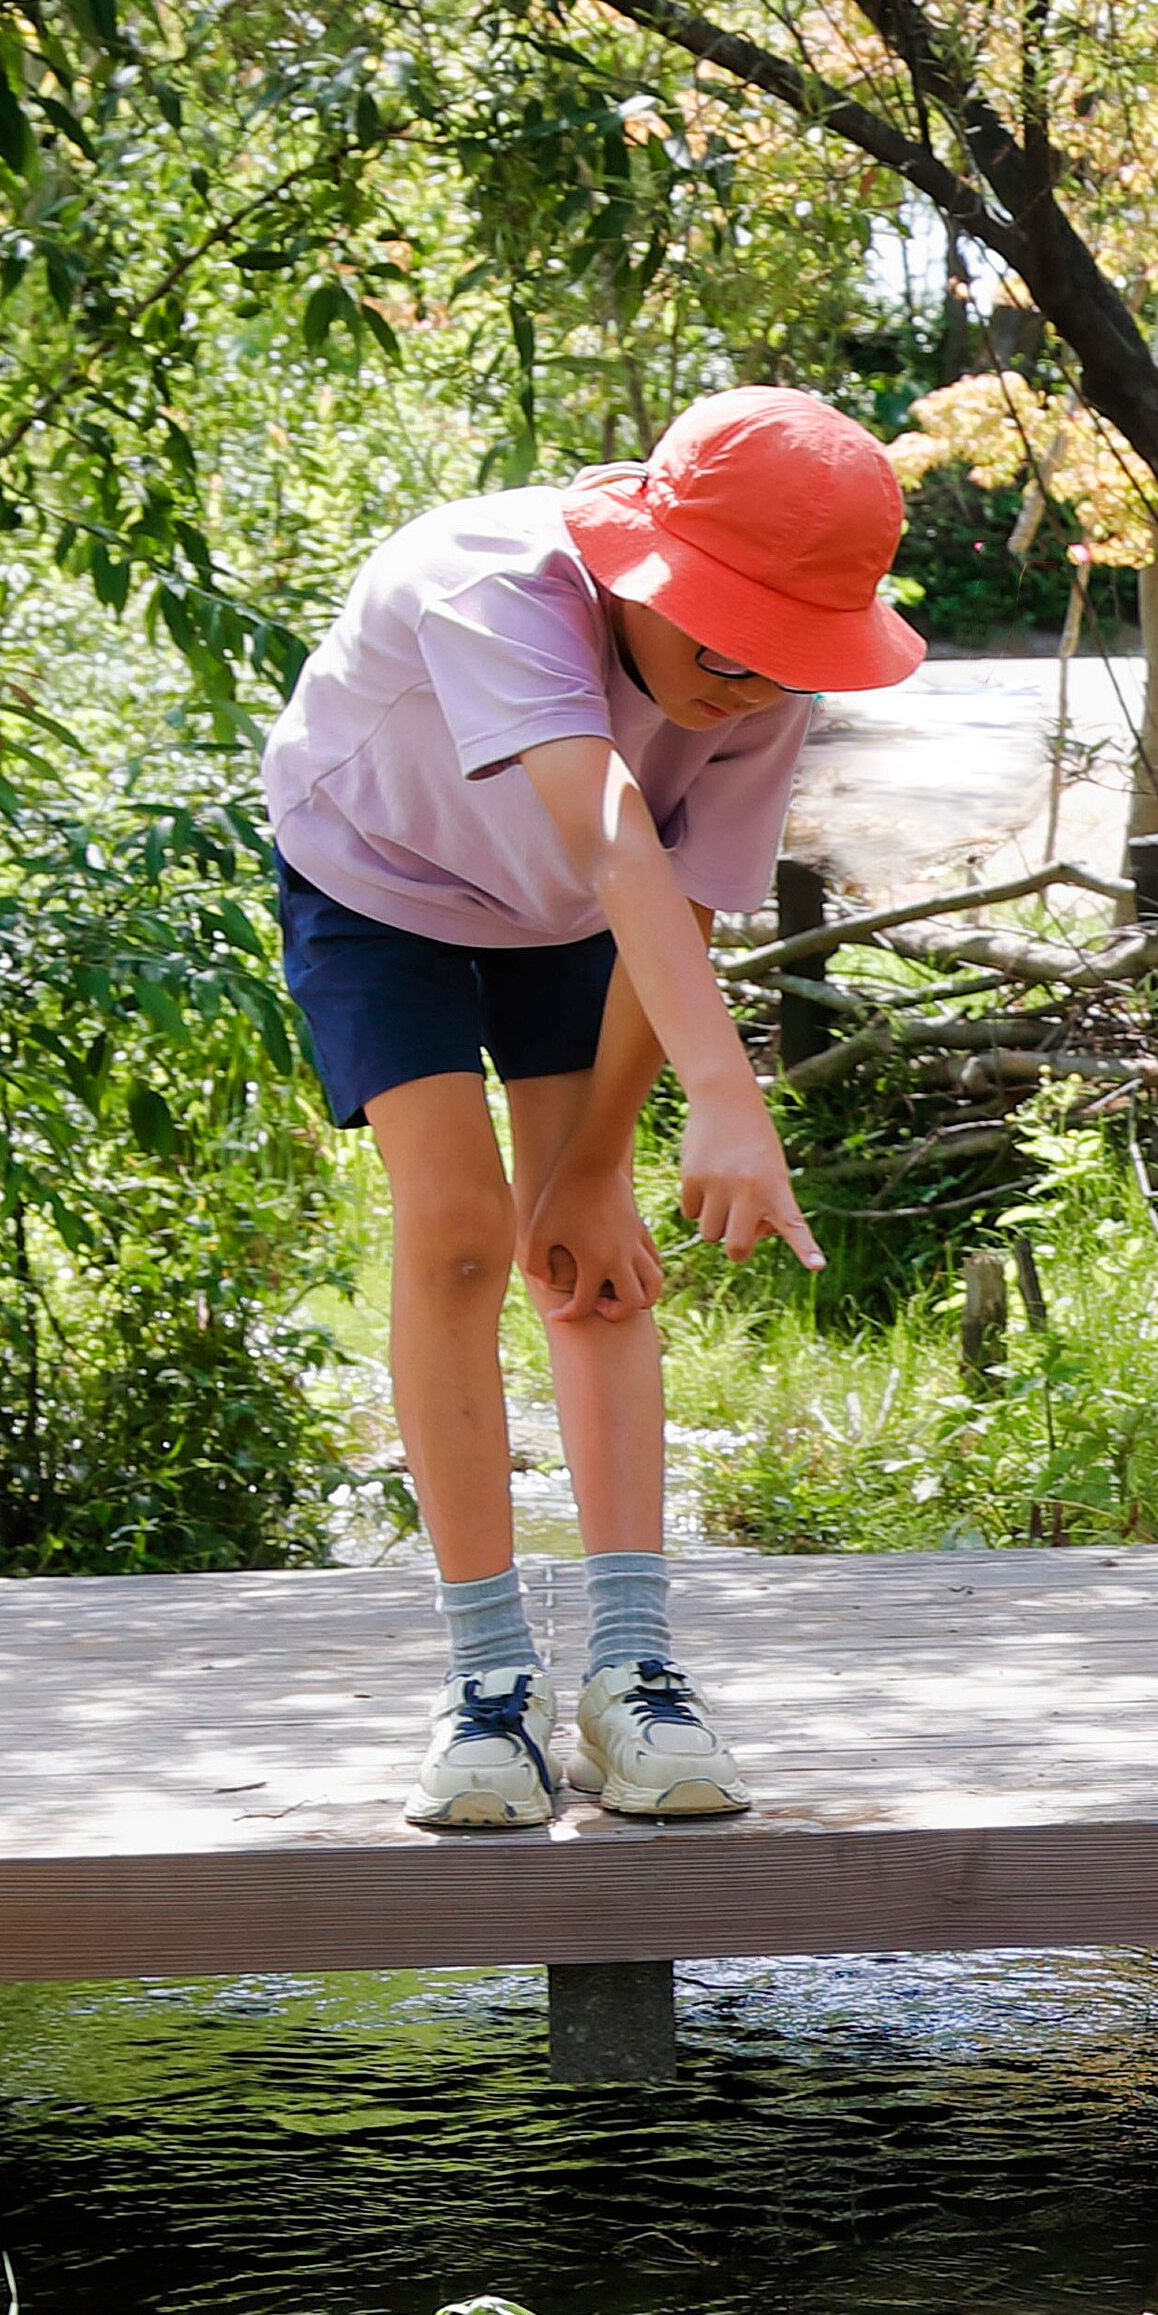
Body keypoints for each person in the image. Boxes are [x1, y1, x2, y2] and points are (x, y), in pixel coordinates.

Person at [259, 388, 925, 1831]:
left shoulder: (765, 669)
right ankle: (487, 1686)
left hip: (579, 917)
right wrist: (730, 1099)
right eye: (721, 645)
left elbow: (669, 898)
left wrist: (609, 1155)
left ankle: (633, 1675)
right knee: (455, 1233)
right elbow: (618, 832)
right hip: (383, 886)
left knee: (593, 1261)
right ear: (646, 568)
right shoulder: (491, 585)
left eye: (777, 663)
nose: (743, 685)